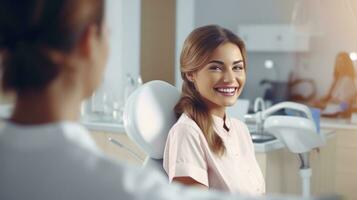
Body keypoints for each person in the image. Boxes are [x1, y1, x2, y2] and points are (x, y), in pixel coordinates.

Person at [0, 1, 252, 199]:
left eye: (238, 67)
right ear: (89, 41)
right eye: (108, 33)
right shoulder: (126, 189)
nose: (230, 77)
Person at [163, 25, 265, 195]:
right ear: (191, 74)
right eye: (216, 67)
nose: (230, 79)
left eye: (237, 67)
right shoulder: (187, 133)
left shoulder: (241, 131)